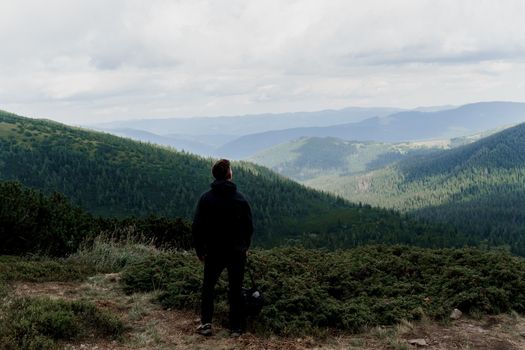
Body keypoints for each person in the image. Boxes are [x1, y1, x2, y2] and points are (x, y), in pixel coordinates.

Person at [192, 159, 253, 337]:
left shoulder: (206, 198)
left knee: (208, 287)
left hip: (213, 251)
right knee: (235, 289)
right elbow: (248, 227)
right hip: (236, 252)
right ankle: (235, 328)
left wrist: (200, 250)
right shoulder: (240, 198)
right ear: (229, 174)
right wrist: (245, 246)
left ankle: (206, 324)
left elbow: (197, 227)